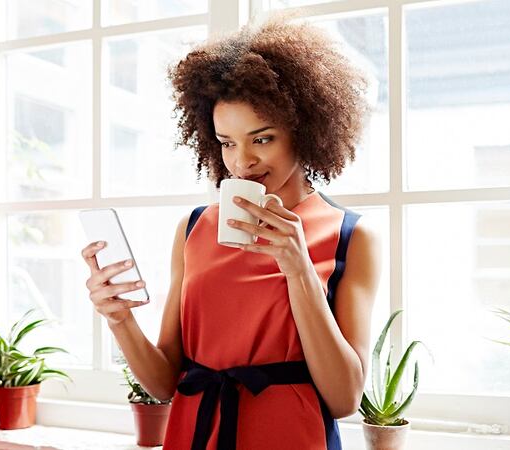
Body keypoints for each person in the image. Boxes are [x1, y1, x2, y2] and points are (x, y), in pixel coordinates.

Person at [81, 12, 382, 450]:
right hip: (196, 435)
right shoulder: (193, 229)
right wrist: (120, 319)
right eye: (226, 142)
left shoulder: (351, 236)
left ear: (306, 131)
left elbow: (343, 399)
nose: (242, 162)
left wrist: (298, 271)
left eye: (262, 139)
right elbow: (165, 384)